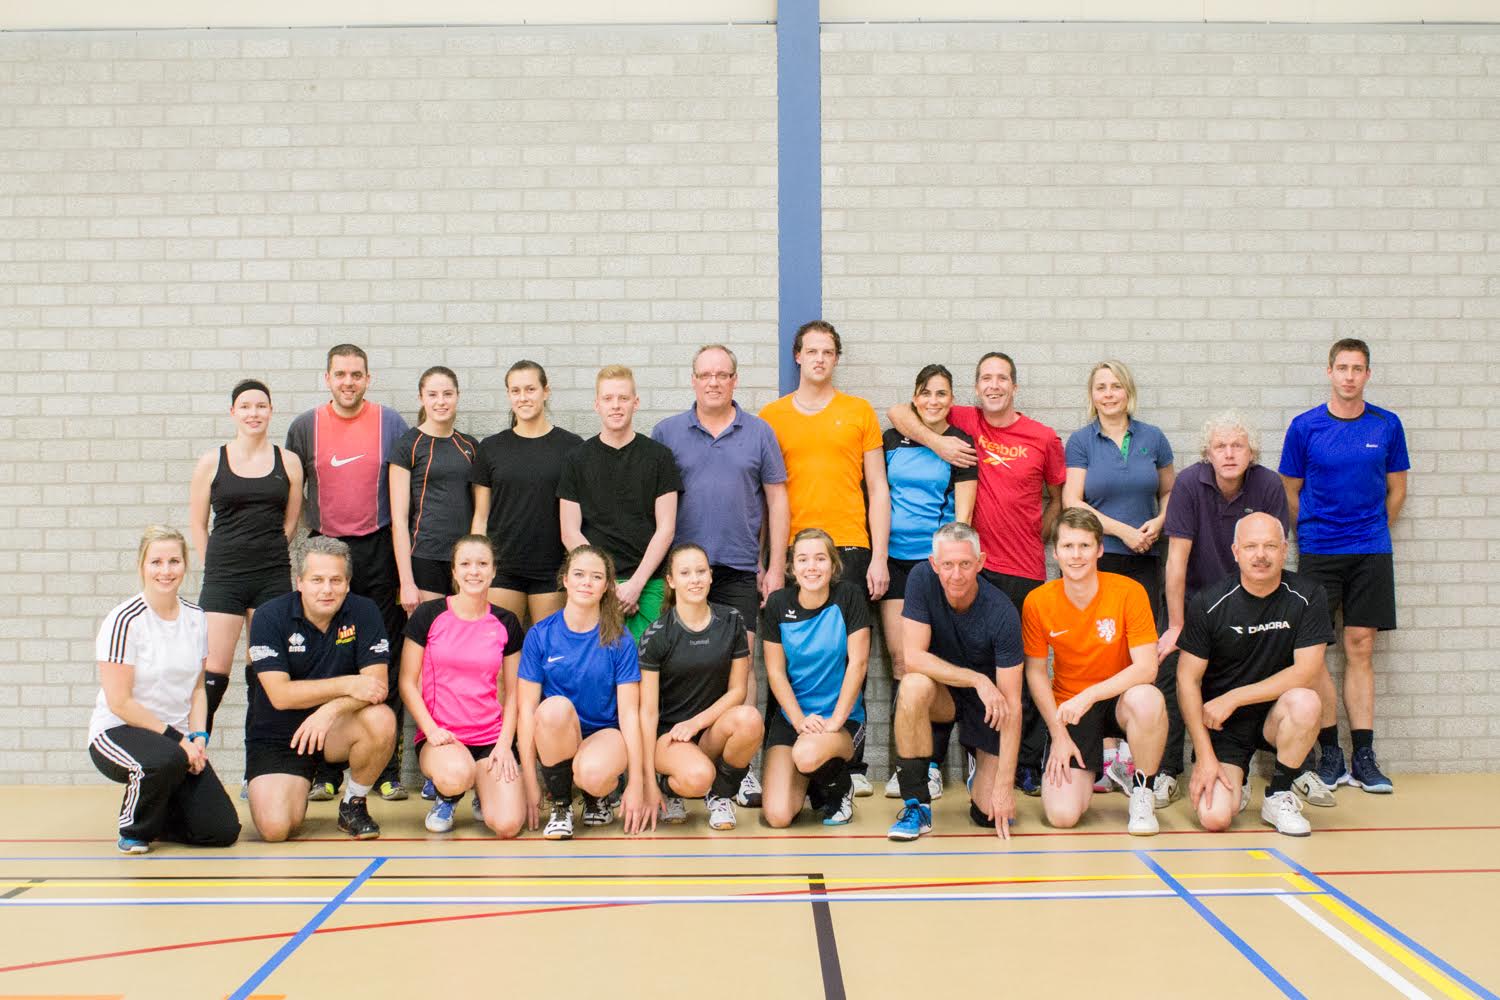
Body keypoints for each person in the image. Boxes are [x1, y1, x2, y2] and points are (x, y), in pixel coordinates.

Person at [889, 351, 1065, 796]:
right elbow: (898, 413)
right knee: (950, 657)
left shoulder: (1042, 436)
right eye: (986, 378)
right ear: (976, 387)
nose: (994, 385)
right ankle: (937, 762)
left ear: (1014, 386)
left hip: (1023, 568)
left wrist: (1048, 524)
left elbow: (1058, 495)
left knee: (1021, 672)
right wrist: (938, 443)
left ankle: (1021, 764)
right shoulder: (964, 418)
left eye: (1002, 378)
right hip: (973, 566)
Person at [651, 344, 788, 808]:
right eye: (705, 374)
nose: (713, 382)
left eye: (723, 374)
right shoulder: (667, 432)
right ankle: (670, 757)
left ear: (735, 380)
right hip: (682, 570)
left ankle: (737, 767)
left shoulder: (760, 432)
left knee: (742, 664)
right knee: (673, 664)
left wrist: (773, 566)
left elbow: (777, 500)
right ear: (693, 380)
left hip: (737, 568)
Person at [760, 321, 889, 796]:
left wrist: (878, 558)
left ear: (836, 358)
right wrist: (773, 564)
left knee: (852, 661)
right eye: (811, 351)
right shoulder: (771, 416)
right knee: (788, 660)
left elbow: (877, 487)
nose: (819, 359)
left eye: (828, 352)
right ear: (797, 356)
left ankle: (851, 768)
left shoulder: (858, 411)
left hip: (851, 548)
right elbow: (767, 497)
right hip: (795, 553)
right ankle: (791, 758)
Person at [1280, 338, 1409, 795]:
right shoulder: (1305, 427)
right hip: (1319, 551)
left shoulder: (1387, 425)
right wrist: (1311, 533)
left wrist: (1372, 529)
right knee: (1312, 654)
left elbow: (1396, 489)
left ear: (1367, 375)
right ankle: (1329, 752)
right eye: (1342, 367)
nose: (1350, 376)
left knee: (1360, 648)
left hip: (1371, 551)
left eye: (1358, 368)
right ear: (1329, 371)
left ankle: (1365, 756)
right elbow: (1289, 490)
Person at [285, 344, 411, 802]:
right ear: (327, 379)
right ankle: (324, 770)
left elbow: (404, 491)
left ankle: (387, 766)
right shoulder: (304, 427)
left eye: (357, 374)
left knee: (383, 653)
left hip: (377, 547)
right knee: (323, 658)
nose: (348, 382)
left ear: (368, 378)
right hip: (323, 549)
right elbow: (295, 491)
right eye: (340, 374)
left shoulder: (391, 422)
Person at [1156, 411, 1297, 807]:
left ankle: (1290, 774)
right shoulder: (1187, 483)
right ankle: (1168, 770)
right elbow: (1177, 560)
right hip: (1196, 604)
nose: (1230, 454)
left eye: (1238, 446)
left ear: (1251, 453)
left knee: (1290, 669)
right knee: (1171, 667)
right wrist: (1178, 625)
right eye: (1221, 446)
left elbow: (1273, 552)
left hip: (1253, 601)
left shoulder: (1268, 484)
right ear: (1208, 453)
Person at [1177, 514, 1333, 836]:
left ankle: (1279, 795)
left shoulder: (1308, 595)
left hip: (1277, 715)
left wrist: (1234, 697)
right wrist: (1205, 756)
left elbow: (1306, 671)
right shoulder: (1208, 602)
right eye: (1251, 546)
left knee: (1306, 701)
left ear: (1285, 549)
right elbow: (1186, 681)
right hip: (1224, 726)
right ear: (1235, 551)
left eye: (1270, 546)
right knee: (1215, 818)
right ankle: (1239, 782)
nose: (1260, 555)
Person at [88, 526, 240, 853]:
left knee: (222, 830)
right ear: (142, 566)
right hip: (119, 731)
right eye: (156, 562)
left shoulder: (196, 618)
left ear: (185, 565)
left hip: (177, 740)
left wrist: (198, 739)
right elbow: (120, 702)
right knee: (161, 759)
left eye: (174, 561)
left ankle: (160, 812)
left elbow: (198, 688)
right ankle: (134, 830)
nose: (165, 570)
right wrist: (178, 741)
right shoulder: (124, 620)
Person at [1062, 360, 1174, 793]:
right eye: (1100, 387)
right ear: (1092, 395)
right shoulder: (1081, 441)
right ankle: (1106, 755)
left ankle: (1133, 760)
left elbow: (1168, 491)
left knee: (1137, 657)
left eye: (1115, 386)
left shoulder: (1153, 438)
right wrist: (1123, 530)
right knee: (1100, 653)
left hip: (1145, 559)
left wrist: (1160, 521)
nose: (1108, 394)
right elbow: (1074, 501)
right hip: (1099, 560)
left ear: (1128, 391)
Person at [244, 536, 397, 842]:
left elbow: (376, 687)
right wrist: (347, 684)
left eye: (335, 580)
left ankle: (352, 803)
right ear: (299, 581)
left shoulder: (364, 612)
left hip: (334, 730)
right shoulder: (269, 616)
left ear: (348, 583)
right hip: (279, 736)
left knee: (381, 718)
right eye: (317, 580)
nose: (327, 589)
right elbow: (281, 695)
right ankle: (294, 784)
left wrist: (329, 711)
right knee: (276, 830)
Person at [1021, 509, 1165, 836]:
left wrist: (1090, 694)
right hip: (1072, 711)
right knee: (1062, 816)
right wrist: (1058, 734)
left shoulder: (1129, 591)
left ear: (1100, 549)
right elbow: (1035, 674)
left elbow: (1147, 667)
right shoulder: (1038, 601)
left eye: (1085, 546)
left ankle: (1142, 792)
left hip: (1118, 701)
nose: (1076, 555)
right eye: (1068, 546)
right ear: (1054, 552)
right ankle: (1097, 766)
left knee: (1148, 699)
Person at [888, 523, 1021, 843]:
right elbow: (914, 658)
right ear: (934, 564)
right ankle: (916, 804)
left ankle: (981, 761)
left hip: (990, 705)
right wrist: (977, 679)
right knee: (912, 685)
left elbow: (1013, 703)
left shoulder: (1002, 611)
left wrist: (1005, 785)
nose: (956, 574)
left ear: (981, 562)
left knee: (989, 813)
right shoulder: (921, 579)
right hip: (944, 692)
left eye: (965, 564)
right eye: (947, 565)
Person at [880, 364, 977, 801]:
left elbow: (963, 516)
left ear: (951, 399)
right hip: (895, 563)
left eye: (942, 394)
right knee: (903, 663)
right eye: (926, 393)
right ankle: (910, 767)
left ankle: (934, 764)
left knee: (932, 663)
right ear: (916, 397)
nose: (934, 400)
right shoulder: (894, 437)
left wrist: (951, 568)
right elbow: (895, 412)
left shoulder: (963, 446)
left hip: (933, 565)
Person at [187, 379, 303, 736]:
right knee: (214, 670)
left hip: (271, 576)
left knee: (266, 669)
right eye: (246, 406)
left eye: (261, 406)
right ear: (233, 412)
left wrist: (264, 549)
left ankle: (257, 766)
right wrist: (216, 565)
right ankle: (194, 751)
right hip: (225, 578)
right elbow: (197, 522)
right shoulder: (212, 461)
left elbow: (291, 521)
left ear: (271, 411)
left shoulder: (290, 462)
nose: (254, 413)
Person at [516, 545, 651, 840]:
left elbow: (629, 713)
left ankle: (596, 796)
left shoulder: (619, 639)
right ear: (565, 580)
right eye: (578, 574)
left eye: (596, 577)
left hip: (605, 735)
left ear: (606, 587)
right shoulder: (540, 635)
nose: (586, 582)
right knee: (552, 708)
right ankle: (561, 805)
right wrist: (529, 782)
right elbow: (525, 711)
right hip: (558, 735)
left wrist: (636, 783)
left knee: (591, 774)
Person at [399, 535, 527, 837]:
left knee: (508, 825)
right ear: (454, 572)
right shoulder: (428, 615)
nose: (475, 571)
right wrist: (430, 730)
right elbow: (406, 682)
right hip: (442, 737)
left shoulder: (506, 622)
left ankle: (485, 789)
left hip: (490, 737)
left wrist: (505, 743)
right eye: (465, 564)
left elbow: (513, 693)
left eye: (483, 564)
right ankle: (447, 796)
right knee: (457, 773)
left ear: (494, 571)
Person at [638, 543, 764, 830]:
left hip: (708, 731)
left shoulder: (731, 621)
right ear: (671, 581)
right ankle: (670, 789)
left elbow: (738, 692)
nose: (694, 579)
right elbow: (646, 712)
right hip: (668, 738)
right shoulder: (657, 635)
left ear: (710, 576)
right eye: (685, 573)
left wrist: (695, 724)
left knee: (750, 719)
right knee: (697, 777)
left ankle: (720, 797)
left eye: (700, 571)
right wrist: (646, 780)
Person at [558, 365, 682, 641]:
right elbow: (569, 531)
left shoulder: (659, 457)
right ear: (597, 405)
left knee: (647, 672)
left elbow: (666, 528)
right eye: (608, 399)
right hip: (594, 585)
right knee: (597, 671)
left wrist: (636, 584)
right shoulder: (576, 459)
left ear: (635, 403)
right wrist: (608, 585)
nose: (616, 406)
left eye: (623, 398)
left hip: (649, 583)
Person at [760, 529, 872, 828]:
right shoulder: (778, 605)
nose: (812, 567)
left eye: (820, 558)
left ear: (833, 565)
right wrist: (798, 721)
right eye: (803, 559)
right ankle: (816, 785)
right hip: (794, 718)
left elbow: (858, 664)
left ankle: (839, 786)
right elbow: (775, 672)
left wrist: (835, 721)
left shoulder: (848, 596)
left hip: (841, 719)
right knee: (778, 816)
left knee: (808, 753)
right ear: (792, 567)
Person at [471, 360, 582, 626]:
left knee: (548, 652)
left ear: (546, 391)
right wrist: (476, 565)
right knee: (503, 651)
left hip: (552, 568)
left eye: (530, 389)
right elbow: (481, 516)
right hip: (503, 566)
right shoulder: (491, 448)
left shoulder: (572, 447)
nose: (523, 397)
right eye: (516, 391)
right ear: (509, 395)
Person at [390, 365, 479, 613]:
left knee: (463, 635)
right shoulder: (407, 445)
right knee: (427, 635)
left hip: (464, 560)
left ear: (457, 396)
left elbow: (479, 509)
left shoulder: (469, 445)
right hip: (425, 557)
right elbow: (398, 520)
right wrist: (406, 581)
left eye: (447, 394)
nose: (441, 402)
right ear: (421, 398)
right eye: (432, 395)